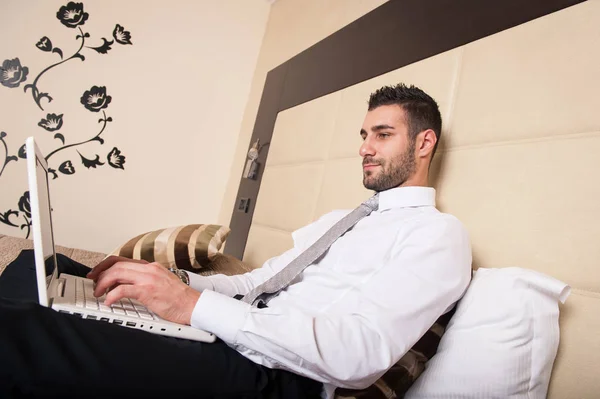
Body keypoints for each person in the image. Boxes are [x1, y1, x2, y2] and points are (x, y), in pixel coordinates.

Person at [0, 83, 472, 398]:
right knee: (38, 269)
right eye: (364, 134)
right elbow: (261, 283)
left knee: (30, 332)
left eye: (383, 135)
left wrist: (189, 307)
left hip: (280, 376)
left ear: (424, 143)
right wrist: (171, 281)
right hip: (236, 330)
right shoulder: (343, 219)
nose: (365, 147)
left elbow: (357, 356)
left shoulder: (437, 234)